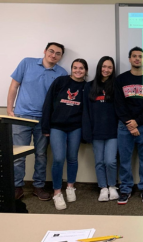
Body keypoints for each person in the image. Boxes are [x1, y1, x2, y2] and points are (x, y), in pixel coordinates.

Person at [7, 42, 68, 201]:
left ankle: (38, 187)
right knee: (18, 155)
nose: (53, 55)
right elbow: (14, 86)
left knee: (41, 154)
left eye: (58, 53)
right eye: (51, 51)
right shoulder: (27, 62)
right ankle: (17, 187)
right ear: (45, 51)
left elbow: (60, 100)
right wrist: (9, 109)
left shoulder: (62, 73)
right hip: (22, 117)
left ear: (61, 57)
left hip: (44, 120)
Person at [115, 47, 143, 205]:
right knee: (125, 160)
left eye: (140, 56)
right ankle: (125, 189)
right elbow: (118, 104)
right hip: (124, 127)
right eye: (134, 56)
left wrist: (137, 122)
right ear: (129, 59)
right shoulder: (120, 79)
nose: (137, 59)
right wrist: (130, 123)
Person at [42, 58, 88, 210]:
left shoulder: (86, 87)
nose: (78, 70)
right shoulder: (60, 81)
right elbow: (48, 103)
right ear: (71, 69)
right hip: (57, 127)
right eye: (75, 68)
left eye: (81, 68)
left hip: (75, 127)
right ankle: (57, 192)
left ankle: (70, 187)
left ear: (85, 71)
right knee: (59, 159)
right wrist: (45, 127)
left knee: (72, 158)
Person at [82, 56, 119, 202]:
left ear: (113, 69)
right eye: (104, 66)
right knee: (99, 161)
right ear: (99, 67)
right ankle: (103, 188)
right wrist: (87, 131)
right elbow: (86, 110)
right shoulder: (89, 86)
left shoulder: (116, 86)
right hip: (95, 130)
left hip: (113, 131)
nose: (106, 70)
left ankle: (112, 186)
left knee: (110, 161)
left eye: (110, 67)